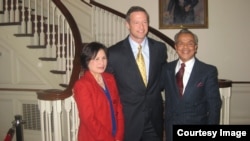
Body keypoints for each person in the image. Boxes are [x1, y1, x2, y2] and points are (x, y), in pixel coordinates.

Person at [106, 6, 167, 141]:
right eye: (136, 22)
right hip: (128, 121)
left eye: (144, 22)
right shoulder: (113, 53)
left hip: (154, 120)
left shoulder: (160, 49)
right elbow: (108, 89)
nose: (141, 26)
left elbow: (162, 78)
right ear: (127, 24)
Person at [161, 28, 222, 141]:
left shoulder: (208, 71)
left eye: (190, 43)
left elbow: (214, 105)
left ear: (195, 47)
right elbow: (153, 89)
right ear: (176, 47)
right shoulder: (166, 69)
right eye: (181, 43)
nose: (185, 47)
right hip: (171, 128)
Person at [73, 42, 124, 141]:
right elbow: (88, 120)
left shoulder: (110, 78)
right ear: (87, 61)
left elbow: (118, 107)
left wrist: (119, 136)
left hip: (115, 135)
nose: (102, 63)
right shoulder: (82, 85)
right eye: (96, 59)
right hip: (94, 137)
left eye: (104, 58)